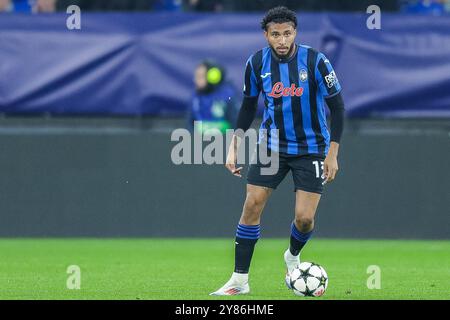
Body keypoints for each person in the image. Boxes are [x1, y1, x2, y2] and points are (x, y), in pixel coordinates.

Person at [210, 6, 345, 295]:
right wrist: (234, 146)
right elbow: (248, 107)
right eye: (275, 35)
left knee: (305, 219)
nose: (282, 40)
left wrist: (332, 152)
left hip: (311, 149)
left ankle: (293, 255)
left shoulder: (316, 61)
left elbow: (338, 107)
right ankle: (239, 280)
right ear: (266, 35)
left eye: (287, 34)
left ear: (295, 33)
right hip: (271, 146)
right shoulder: (256, 63)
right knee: (252, 205)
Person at [187, 60, 239, 134]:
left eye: (200, 77)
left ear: (213, 77)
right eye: (196, 76)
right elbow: (189, 126)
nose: (195, 80)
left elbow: (236, 125)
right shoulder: (195, 97)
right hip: (198, 143)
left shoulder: (228, 97)